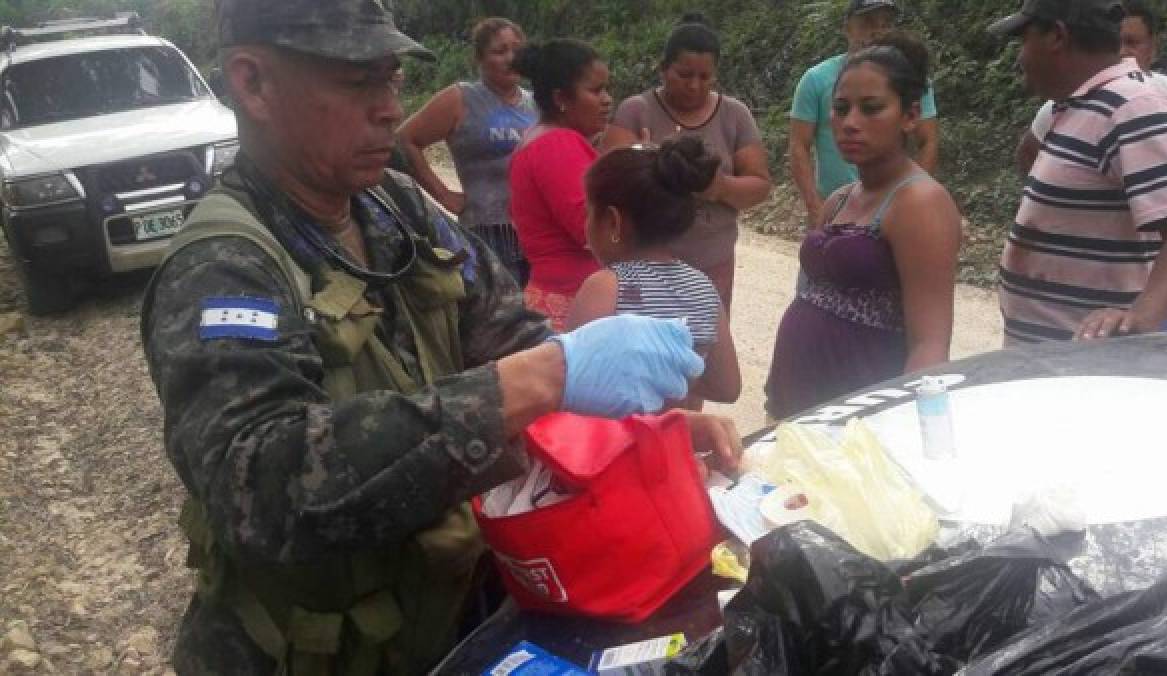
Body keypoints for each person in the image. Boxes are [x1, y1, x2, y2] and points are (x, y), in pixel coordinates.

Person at [140, 2, 735, 672]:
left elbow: (508, 333)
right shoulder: (224, 266)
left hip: (449, 615)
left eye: (391, 80)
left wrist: (634, 433)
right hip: (313, 654)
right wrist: (545, 375)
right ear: (253, 83)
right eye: (357, 81)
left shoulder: (396, 204)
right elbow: (263, 489)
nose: (391, 110)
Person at [764, 34, 962, 420]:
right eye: (841, 109)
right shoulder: (839, 199)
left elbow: (930, 343)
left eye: (871, 109)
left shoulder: (920, 204)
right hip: (797, 401)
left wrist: (903, 425)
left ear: (909, 116)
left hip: (859, 412)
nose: (850, 123)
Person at [989, 0, 1167, 344]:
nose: (1019, 57)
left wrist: (1142, 317)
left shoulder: (1134, 106)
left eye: (1024, 41)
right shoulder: (1079, 107)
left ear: (1057, 36)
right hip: (1057, 361)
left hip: (1093, 370)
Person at [602, 14, 771, 311]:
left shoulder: (734, 115)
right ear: (663, 69)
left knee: (705, 345)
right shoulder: (636, 111)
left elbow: (759, 185)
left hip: (712, 262)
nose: (694, 85)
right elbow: (608, 183)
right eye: (684, 74)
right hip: (645, 263)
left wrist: (719, 187)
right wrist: (650, 162)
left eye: (704, 77)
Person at [567, 137, 742, 409]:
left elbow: (574, 385)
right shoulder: (703, 288)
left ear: (613, 221)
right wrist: (675, 384)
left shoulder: (606, 287)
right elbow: (728, 388)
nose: (586, 224)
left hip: (617, 446)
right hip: (678, 442)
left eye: (590, 212)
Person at [397, 17, 536, 286]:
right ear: (480, 59)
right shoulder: (462, 98)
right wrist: (443, 194)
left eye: (516, 49)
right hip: (487, 232)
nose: (511, 58)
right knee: (503, 316)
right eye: (499, 51)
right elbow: (405, 139)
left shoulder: (536, 101)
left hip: (536, 231)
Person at [788, 0, 940, 229]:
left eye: (885, 23)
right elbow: (799, 145)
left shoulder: (911, 82)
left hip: (891, 210)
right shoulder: (816, 80)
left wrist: (914, 195)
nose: (876, 31)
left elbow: (928, 140)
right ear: (847, 27)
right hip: (835, 209)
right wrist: (816, 207)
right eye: (867, 22)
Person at [1017, 0, 1167, 174]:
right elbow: (1028, 153)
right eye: (1115, 43)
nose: (1121, 52)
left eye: (1131, 42)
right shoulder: (1063, 107)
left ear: (1152, 48)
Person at [508, 38, 612, 331]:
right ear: (561, 99)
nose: (606, 99)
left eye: (606, 89)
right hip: (572, 301)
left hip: (562, 294)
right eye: (595, 90)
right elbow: (592, 230)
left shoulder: (543, 138)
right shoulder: (557, 144)